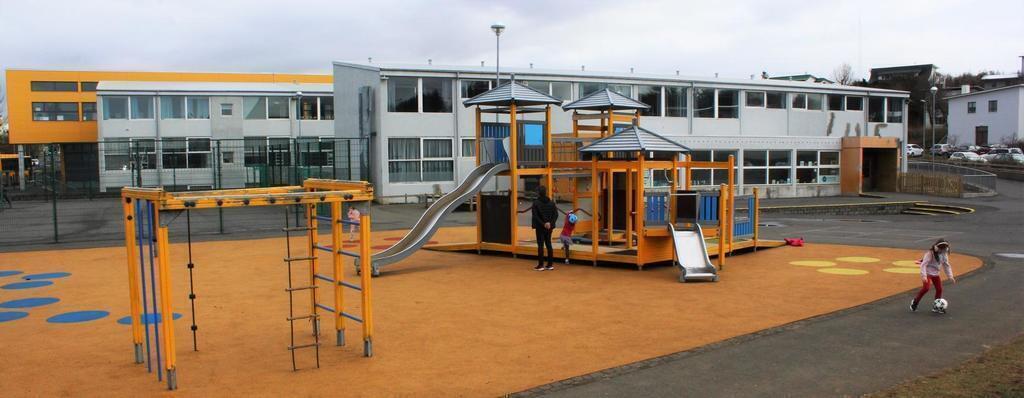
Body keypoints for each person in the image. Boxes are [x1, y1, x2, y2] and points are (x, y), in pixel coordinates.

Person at [911, 239, 956, 313]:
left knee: (939, 289)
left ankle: (936, 307)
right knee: (926, 288)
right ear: (937, 247)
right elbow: (923, 265)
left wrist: (950, 276)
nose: (943, 250)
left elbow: (946, 265)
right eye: (941, 248)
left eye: (945, 248)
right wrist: (924, 276)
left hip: (936, 274)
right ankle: (915, 302)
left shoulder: (944, 254)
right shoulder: (930, 253)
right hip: (927, 273)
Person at [531, 185, 559, 271]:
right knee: (548, 244)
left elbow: (535, 216)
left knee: (540, 245)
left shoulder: (536, 203)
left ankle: (540, 265)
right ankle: (550, 264)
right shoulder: (551, 203)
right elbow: (556, 214)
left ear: (538, 193)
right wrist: (550, 223)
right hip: (549, 227)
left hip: (540, 227)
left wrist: (543, 224)